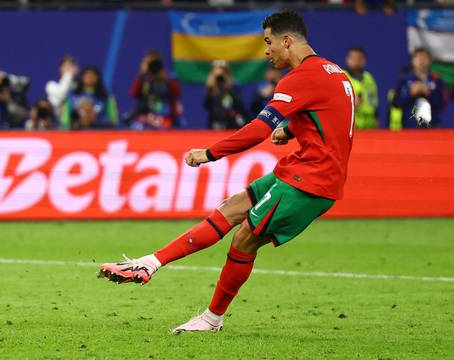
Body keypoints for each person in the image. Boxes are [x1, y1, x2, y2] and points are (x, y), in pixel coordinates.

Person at [99, 10, 355, 333]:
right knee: (231, 207)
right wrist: (290, 131)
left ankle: (212, 318)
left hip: (311, 180)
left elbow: (257, 130)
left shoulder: (300, 77)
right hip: (303, 169)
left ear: (287, 41)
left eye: (268, 42)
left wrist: (209, 153)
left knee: (244, 238)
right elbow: (334, 117)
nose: (266, 51)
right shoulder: (336, 74)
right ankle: (151, 262)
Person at [391, 48, 447, 128]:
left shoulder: (437, 81)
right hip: (409, 128)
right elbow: (396, 103)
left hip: (432, 128)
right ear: (412, 61)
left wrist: (428, 92)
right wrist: (410, 93)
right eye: (418, 57)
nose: (421, 60)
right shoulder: (404, 81)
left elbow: (442, 105)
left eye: (424, 57)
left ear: (430, 61)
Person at [126, 50, 182, 130]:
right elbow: (133, 94)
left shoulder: (170, 77)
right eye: (149, 63)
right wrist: (141, 75)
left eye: (153, 63)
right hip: (147, 119)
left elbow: (177, 94)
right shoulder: (144, 78)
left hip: (167, 119)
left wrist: (165, 80)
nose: (152, 66)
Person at [61, 65, 118, 130]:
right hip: (75, 132)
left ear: (97, 78)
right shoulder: (72, 95)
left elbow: (113, 120)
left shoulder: (106, 97)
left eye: (92, 75)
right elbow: (65, 120)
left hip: (100, 131)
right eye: (87, 74)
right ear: (82, 77)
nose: (89, 77)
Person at [203, 60, 247, 130]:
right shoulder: (212, 88)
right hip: (214, 124)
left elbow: (240, 106)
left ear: (228, 74)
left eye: (223, 73)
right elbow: (207, 105)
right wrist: (211, 88)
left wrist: (228, 87)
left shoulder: (235, 87)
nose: (220, 79)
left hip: (231, 125)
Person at [344, 47, 378, 129]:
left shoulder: (369, 78)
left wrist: (376, 121)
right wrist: (349, 102)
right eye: (352, 58)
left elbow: (374, 104)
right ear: (347, 59)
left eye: (359, 58)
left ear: (364, 60)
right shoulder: (342, 77)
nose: (356, 61)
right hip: (352, 128)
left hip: (370, 128)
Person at [45, 55, 78, 120]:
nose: (68, 69)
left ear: (76, 69)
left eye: (70, 66)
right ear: (60, 69)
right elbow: (61, 95)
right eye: (65, 66)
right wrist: (68, 76)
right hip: (55, 124)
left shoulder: (80, 87)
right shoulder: (51, 85)